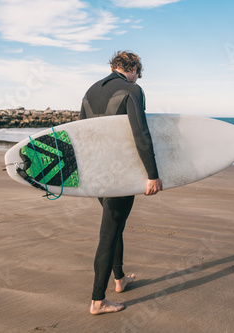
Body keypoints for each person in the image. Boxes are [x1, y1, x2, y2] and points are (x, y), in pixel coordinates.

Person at [80, 51, 163, 315]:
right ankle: (97, 301)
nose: (138, 78)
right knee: (109, 234)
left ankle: (120, 279)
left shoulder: (90, 91)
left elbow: (82, 135)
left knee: (115, 226)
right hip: (120, 174)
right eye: (138, 73)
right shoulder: (132, 90)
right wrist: (152, 173)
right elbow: (141, 133)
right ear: (133, 69)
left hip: (96, 173)